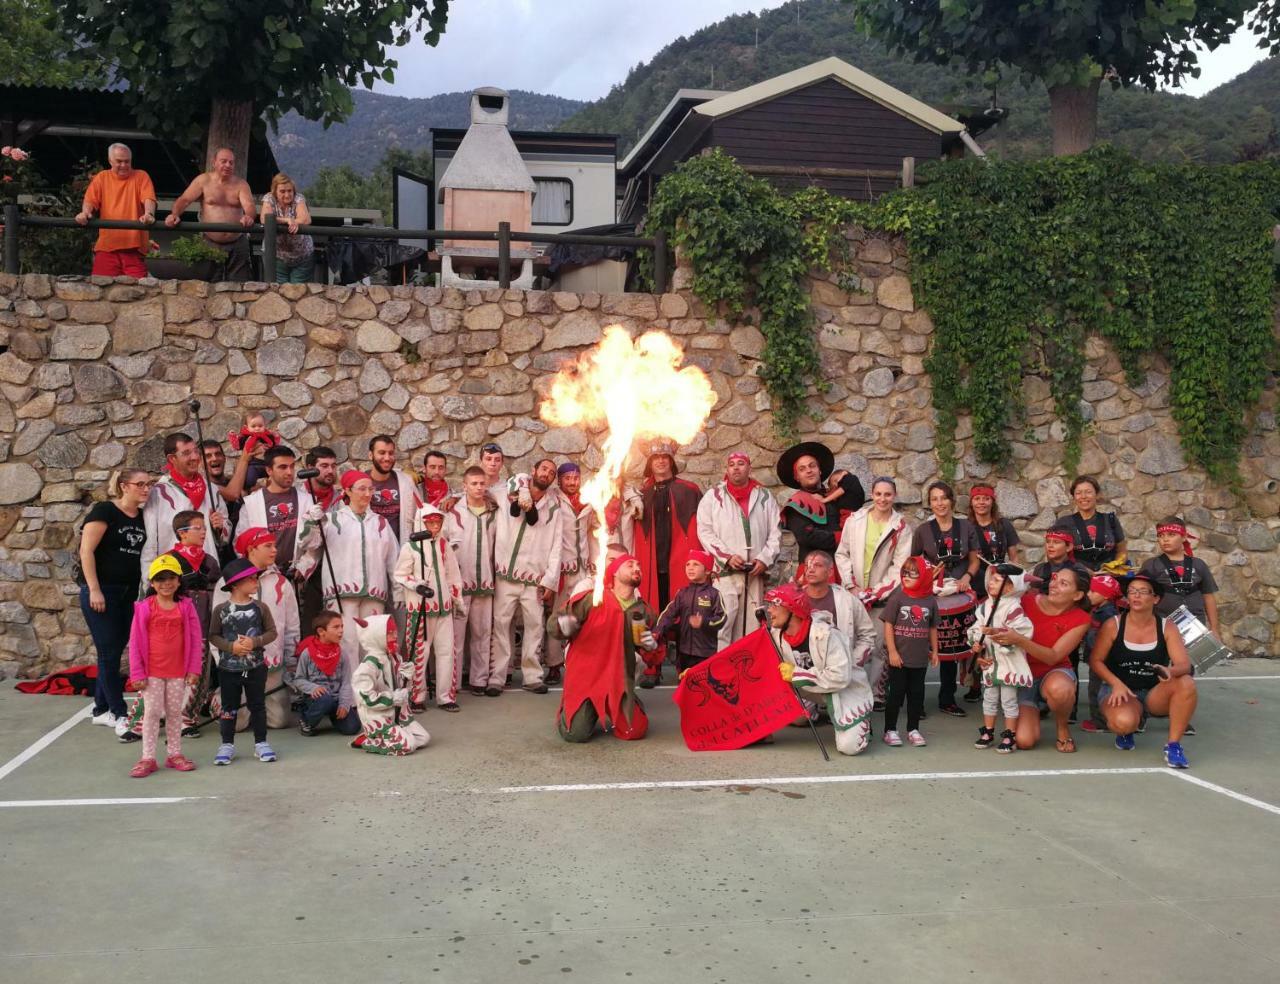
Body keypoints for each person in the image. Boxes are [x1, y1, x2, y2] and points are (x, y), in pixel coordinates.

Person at [1089, 572, 1198, 769]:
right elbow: (1096, 661)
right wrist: (1116, 684)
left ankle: (1173, 745)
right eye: (1132, 591)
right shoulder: (1113, 624)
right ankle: (1128, 727)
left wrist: (1170, 671)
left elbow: (1184, 665)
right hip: (1120, 691)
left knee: (1186, 682)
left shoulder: (1167, 627)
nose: (1136, 596)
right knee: (1123, 722)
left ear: (1155, 598)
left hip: (1153, 693)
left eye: (1142, 592)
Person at [296, 470, 399, 675]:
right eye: (362, 489)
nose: (367, 493)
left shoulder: (380, 523)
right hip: (341, 594)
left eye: (370, 489)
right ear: (347, 491)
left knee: (373, 644)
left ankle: (371, 691)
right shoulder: (332, 520)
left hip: (374, 592)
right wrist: (311, 522)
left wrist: (398, 590)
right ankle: (349, 697)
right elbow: (307, 543)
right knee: (347, 644)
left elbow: (393, 560)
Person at [551, 554, 660, 743]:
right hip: (586, 678)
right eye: (630, 564)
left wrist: (650, 645)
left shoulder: (642, 611)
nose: (637, 568)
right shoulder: (590, 598)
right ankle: (574, 708)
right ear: (615, 573)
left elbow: (649, 651)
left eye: (639, 565)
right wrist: (565, 625)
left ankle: (629, 701)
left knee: (634, 731)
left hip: (617, 679)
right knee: (575, 734)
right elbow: (554, 625)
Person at [987, 567, 1093, 753]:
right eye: (1055, 579)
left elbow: (1053, 657)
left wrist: (1020, 640)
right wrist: (985, 656)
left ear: (1077, 595)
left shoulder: (1081, 618)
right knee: (1024, 741)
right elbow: (991, 627)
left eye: (1063, 583)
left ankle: (1062, 728)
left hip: (1052, 672)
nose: (1054, 585)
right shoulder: (1022, 601)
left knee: (1060, 690)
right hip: (1020, 676)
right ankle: (1034, 709)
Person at [765, 583, 872, 756]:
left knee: (850, 747)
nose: (770, 610)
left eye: (774, 605)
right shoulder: (776, 633)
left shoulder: (827, 634)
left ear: (792, 608)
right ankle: (760, 732)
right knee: (794, 715)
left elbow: (840, 677)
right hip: (811, 687)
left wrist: (796, 674)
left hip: (844, 691)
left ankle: (861, 720)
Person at [208, 527, 300, 730]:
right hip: (237, 663)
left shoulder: (281, 582)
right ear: (251, 549)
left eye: (274, 545)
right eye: (268, 546)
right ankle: (219, 696)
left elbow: (292, 626)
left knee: (279, 722)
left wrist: (291, 661)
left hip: (271, 665)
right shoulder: (227, 582)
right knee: (236, 725)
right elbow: (217, 627)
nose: (274, 550)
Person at [79, 468, 149, 730]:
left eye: (148, 484)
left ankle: (100, 708)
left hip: (129, 593)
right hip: (103, 592)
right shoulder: (105, 511)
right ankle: (120, 713)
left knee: (114, 651)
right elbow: (86, 551)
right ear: (124, 486)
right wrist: (94, 589)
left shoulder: (143, 516)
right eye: (139, 484)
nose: (145, 489)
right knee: (109, 652)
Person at [833, 476, 912, 704]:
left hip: (882, 600)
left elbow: (900, 567)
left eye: (887, 494)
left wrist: (875, 592)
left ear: (894, 496)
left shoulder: (901, 527)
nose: (882, 499)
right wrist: (852, 586)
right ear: (872, 494)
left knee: (879, 648)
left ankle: (876, 696)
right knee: (850, 644)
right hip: (854, 595)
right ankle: (850, 693)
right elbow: (842, 554)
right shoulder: (855, 520)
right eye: (878, 494)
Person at [126, 556, 203, 778]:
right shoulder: (144, 608)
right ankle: (148, 757)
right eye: (160, 579)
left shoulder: (186, 607)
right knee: (151, 713)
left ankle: (174, 754)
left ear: (179, 581)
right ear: (152, 582)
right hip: (152, 673)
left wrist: (194, 669)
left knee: (174, 712)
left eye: (171, 578)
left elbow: (195, 639)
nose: (166, 583)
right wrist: (137, 673)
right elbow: (135, 642)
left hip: (178, 671)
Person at [492, 460, 564, 694]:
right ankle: (498, 676)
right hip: (506, 575)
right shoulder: (507, 494)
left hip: (534, 578)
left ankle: (532, 675)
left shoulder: (553, 509)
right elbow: (481, 490)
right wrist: (453, 497)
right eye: (543, 469)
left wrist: (550, 581)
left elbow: (556, 548)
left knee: (535, 627)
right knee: (501, 626)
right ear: (533, 471)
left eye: (552, 473)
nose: (547, 474)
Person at [695, 451, 781, 647]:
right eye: (731, 464)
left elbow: (775, 532)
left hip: (755, 573)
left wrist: (764, 559)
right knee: (723, 626)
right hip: (726, 573)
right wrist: (726, 557)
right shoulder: (713, 496)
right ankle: (722, 674)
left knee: (753, 625)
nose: (736, 467)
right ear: (727, 469)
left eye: (741, 463)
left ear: (749, 468)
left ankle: (747, 673)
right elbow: (705, 530)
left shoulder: (765, 496)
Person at [911, 480, 981, 716]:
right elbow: (914, 564)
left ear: (951, 501)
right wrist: (925, 577)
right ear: (930, 504)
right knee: (921, 646)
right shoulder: (922, 531)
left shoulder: (966, 527)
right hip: (931, 596)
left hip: (959, 595)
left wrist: (968, 578)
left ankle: (947, 698)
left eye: (943, 498)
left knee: (951, 647)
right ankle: (916, 702)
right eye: (934, 499)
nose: (939, 503)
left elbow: (974, 559)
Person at [208, 559, 279, 765]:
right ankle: (227, 744)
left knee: (258, 705)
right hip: (228, 669)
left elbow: (272, 632)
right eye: (251, 579)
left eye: (256, 578)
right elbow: (213, 636)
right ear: (236, 584)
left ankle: (261, 743)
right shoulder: (221, 609)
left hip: (255, 668)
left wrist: (255, 641)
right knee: (229, 707)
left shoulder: (260, 608)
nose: (256, 582)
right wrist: (231, 647)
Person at [395, 504, 463, 712]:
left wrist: (457, 600)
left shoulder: (444, 546)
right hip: (420, 609)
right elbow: (400, 574)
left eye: (437, 522)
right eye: (430, 522)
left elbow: (453, 576)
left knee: (446, 653)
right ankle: (417, 697)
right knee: (419, 654)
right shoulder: (410, 547)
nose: (434, 526)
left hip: (443, 608)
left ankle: (446, 696)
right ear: (421, 523)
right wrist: (416, 584)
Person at [141, 432, 229, 577]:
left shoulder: (211, 489)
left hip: (207, 571)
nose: (195, 457)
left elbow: (225, 532)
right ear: (172, 458)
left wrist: (219, 527)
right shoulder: (159, 493)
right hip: (171, 575)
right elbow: (151, 542)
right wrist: (150, 578)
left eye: (195, 451)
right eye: (186, 453)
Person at [968, 566, 1035, 753]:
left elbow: (1022, 631)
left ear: (1011, 587)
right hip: (990, 661)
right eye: (991, 579)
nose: (991, 583)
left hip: (1008, 663)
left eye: (997, 580)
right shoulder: (985, 606)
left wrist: (996, 632)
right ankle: (988, 732)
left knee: (1008, 700)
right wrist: (976, 644)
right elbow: (975, 628)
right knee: (989, 698)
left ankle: (1009, 735)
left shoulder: (1014, 608)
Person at [445, 466, 499, 697]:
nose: (478, 487)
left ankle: (479, 679)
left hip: (485, 581)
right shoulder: (452, 513)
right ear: (464, 486)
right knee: (455, 637)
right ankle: (452, 682)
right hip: (459, 584)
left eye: (481, 483)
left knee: (482, 633)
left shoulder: (494, 513)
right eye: (473, 483)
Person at [632, 442, 703, 619]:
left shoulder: (690, 490)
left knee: (685, 614)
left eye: (665, 457)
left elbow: (705, 527)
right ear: (650, 464)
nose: (661, 461)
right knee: (655, 615)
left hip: (682, 563)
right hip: (652, 566)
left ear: (671, 461)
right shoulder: (642, 495)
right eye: (656, 458)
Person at [164, 146, 256, 281]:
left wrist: (249, 216)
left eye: (231, 162)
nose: (228, 165)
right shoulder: (203, 180)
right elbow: (184, 200)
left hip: (237, 241)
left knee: (240, 286)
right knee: (208, 285)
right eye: (224, 161)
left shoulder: (241, 184)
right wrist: (175, 214)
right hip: (210, 241)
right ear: (214, 162)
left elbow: (249, 206)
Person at [879, 557, 940, 748]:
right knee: (895, 694)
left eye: (913, 573)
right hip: (899, 659)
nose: (906, 577)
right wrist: (892, 652)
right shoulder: (898, 598)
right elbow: (888, 625)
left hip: (919, 659)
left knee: (916, 695)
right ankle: (890, 730)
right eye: (904, 572)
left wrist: (935, 651)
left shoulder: (930, 601)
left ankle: (913, 729)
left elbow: (932, 628)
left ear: (924, 576)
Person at [545, 461, 595, 684]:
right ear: (560, 480)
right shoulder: (553, 497)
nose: (572, 482)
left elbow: (594, 533)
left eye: (576, 478)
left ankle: (580, 662)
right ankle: (554, 664)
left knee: (583, 617)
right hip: (562, 568)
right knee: (559, 615)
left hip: (582, 568)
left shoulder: (590, 499)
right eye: (567, 478)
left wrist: (594, 562)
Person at [352, 613, 430, 755]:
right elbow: (366, 699)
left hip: (398, 715)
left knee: (424, 738)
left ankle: (392, 735)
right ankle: (370, 740)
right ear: (376, 636)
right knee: (408, 745)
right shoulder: (367, 667)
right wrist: (393, 698)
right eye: (389, 633)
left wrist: (408, 677)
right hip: (379, 718)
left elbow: (403, 690)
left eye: (395, 631)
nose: (395, 636)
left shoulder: (394, 657)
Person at [777, 441, 865, 566]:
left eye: (812, 466)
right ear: (797, 477)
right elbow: (806, 536)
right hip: (815, 568)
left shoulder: (835, 495)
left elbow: (856, 498)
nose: (809, 470)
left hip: (847, 565)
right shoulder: (796, 503)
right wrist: (843, 537)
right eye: (802, 469)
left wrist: (846, 477)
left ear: (819, 470)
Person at [74, 142, 156, 278]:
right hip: (107, 248)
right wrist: (85, 212)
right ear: (110, 161)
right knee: (100, 288)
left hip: (134, 248)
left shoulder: (141, 176)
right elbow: (90, 200)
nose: (124, 165)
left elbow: (148, 198)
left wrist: (149, 213)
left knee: (140, 292)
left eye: (127, 161)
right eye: (119, 161)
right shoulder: (102, 177)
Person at [235, 445, 314, 576]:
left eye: (292, 466)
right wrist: (259, 569)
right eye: (282, 467)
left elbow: (315, 542)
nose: (289, 472)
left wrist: (304, 566)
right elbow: (241, 543)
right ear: (269, 470)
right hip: (263, 577)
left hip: (298, 576)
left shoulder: (307, 500)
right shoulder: (252, 503)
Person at [1139, 517, 1220, 637]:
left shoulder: (1199, 564)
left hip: (1196, 626)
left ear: (1183, 537)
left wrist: (1214, 629)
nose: (1165, 539)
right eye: (1161, 535)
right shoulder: (1151, 565)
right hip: (1162, 625)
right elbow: (1140, 596)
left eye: (1171, 535)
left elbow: (1208, 596)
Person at [652, 549, 727, 674]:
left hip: (706, 652)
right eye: (688, 564)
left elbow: (722, 618)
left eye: (696, 564)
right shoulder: (682, 594)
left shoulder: (714, 594)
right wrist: (657, 632)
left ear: (707, 571)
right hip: (684, 652)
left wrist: (703, 622)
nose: (690, 568)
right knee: (685, 686)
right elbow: (668, 615)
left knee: (703, 688)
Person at [799, 551, 877, 667]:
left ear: (830, 572)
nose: (810, 570)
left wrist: (851, 663)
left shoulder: (848, 601)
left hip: (840, 672)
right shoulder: (794, 599)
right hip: (802, 672)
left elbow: (868, 635)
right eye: (807, 565)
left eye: (818, 565)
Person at [291, 611, 361, 738]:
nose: (341, 631)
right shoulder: (307, 653)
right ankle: (306, 719)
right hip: (316, 699)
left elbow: (346, 682)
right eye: (336, 627)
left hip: (335, 699)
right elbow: (298, 679)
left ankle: (334, 716)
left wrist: (344, 704)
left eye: (342, 626)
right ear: (321, 631)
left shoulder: (342, 654)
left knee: (353, 728)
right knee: (325, 699)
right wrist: (313, 688)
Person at [1080, 574, 1124, 734]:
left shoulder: (1108, 615)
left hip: (1103, 661)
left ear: (1105, 595)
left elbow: (1103, 640)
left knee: (1096, 689)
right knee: (1097, 688)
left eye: (1093, 591)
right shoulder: (1098, 610)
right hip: (1097, 658)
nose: (1088, 594)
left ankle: (1100, 722)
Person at [367, 435, 422, 545]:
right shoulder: (359, 483)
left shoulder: (406, 481)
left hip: (401, 549)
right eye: (382, 453)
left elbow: (419, 515)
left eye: (391, 453)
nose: (387, 458)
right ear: (370, 455)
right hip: (371, 550)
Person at [259, 173, 314, 283]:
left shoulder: (299, 198)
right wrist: (287, 220)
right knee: (278, 293)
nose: (287, 195)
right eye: (282, 191)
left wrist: (287, 221)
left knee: (298, 292)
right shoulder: (269, 199)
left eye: (289, 191)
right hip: (276, 256)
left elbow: (305, 219)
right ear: (275, 192)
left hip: (301, 256)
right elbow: (265, 219)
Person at [1065, 475, 1127, 572]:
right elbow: (1057, 556)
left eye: (1088, 492)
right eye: (1078, 493)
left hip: (1108, 576)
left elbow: (1122, 551)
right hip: (1077, 577)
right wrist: (1081, 569)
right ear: (1074, 497)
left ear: (1097, 494)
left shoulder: (1111, 520)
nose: (1083, 496)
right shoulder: (1065, 523)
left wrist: (1114, 565)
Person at [220, 411, 281, 504]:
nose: (257, 428)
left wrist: (276, 435)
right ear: (247, 427)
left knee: (275, 475)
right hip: (253, 464)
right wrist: (233, 437)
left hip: (266, 464)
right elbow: (237, 446)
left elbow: (275, 444)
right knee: (249, 478)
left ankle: (273, 493)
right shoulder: (245, 437)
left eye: (260, 426)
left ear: (265, 426)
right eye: (253, 426)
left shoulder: (267, 436)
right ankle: (247, 490)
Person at [200, 440, 241, 563]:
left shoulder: (237, 486)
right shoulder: (202, 492)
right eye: (208, 456)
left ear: (224, 458)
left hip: (242, 556)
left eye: (218, 454)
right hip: (218, 560)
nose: (214, 458)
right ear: (200, 462)